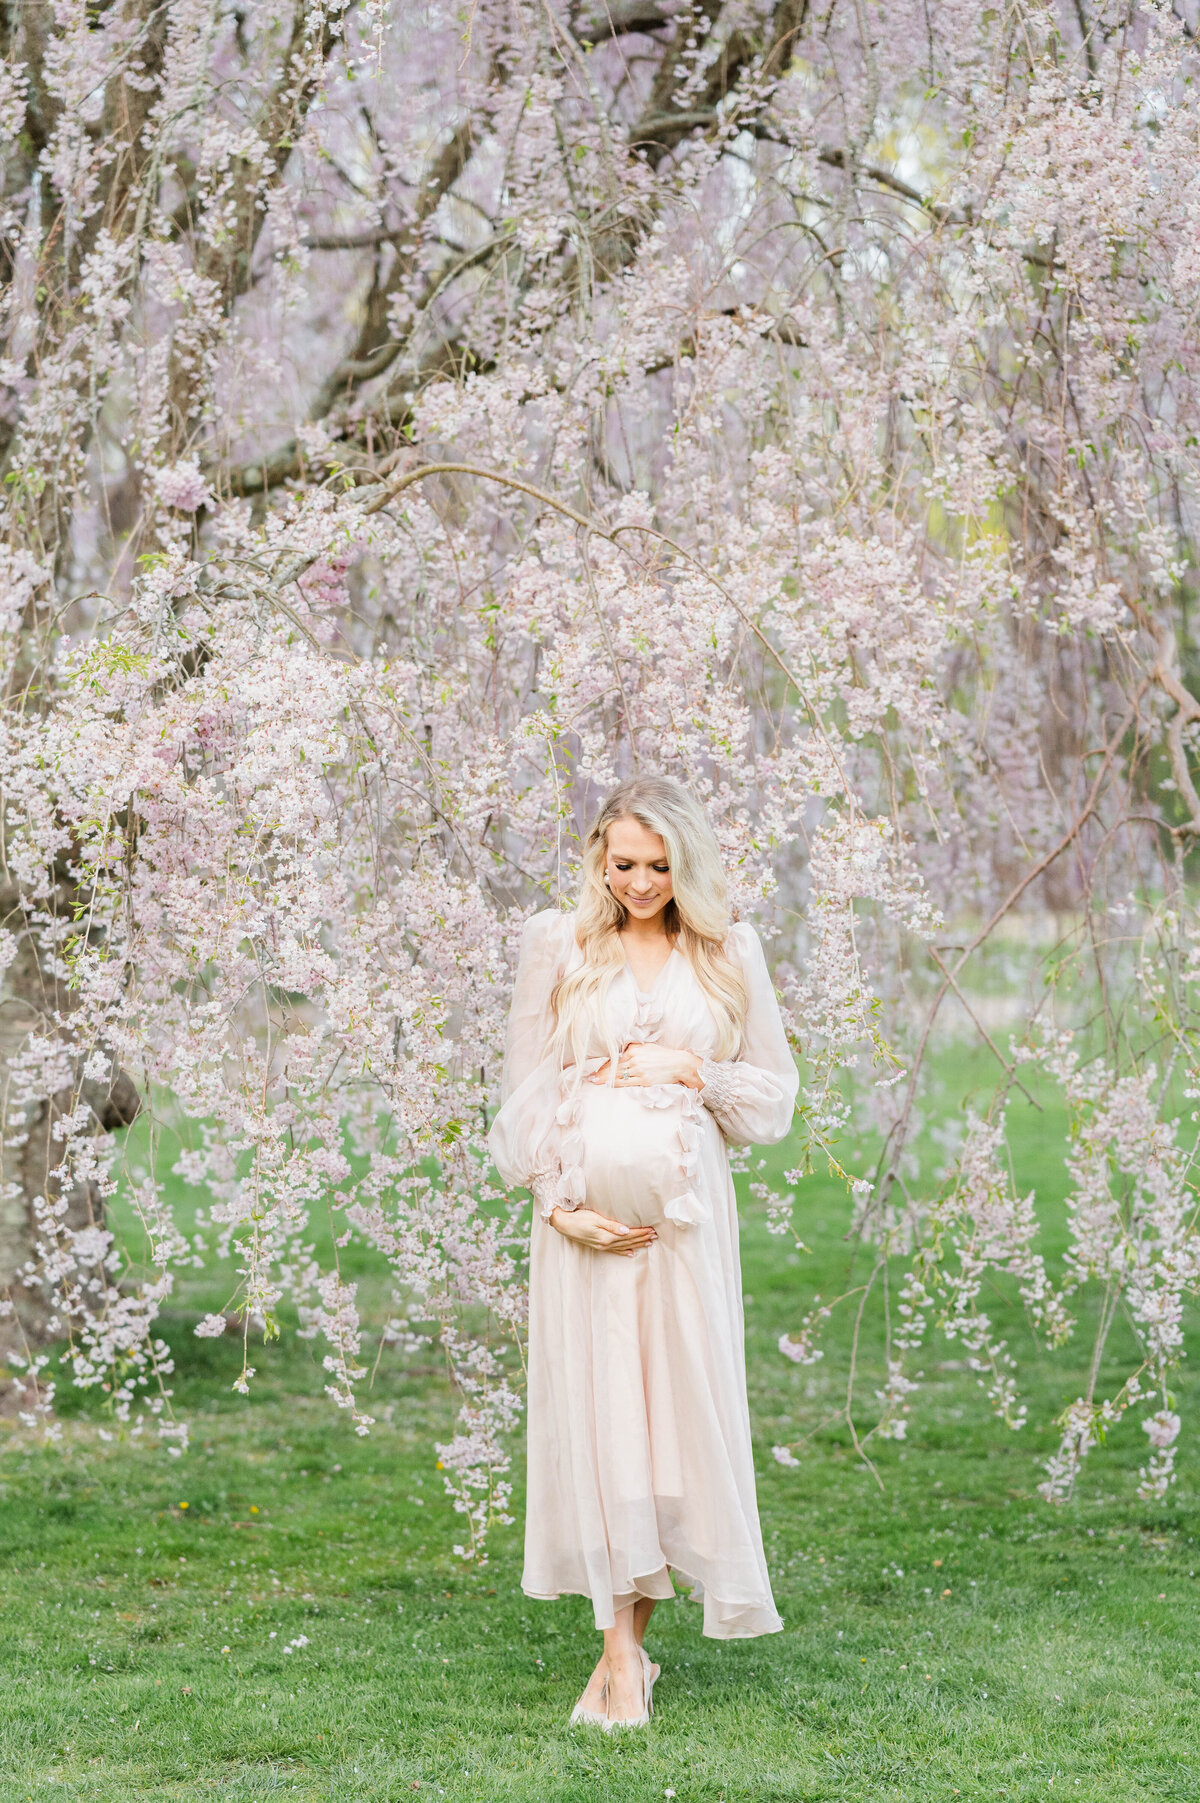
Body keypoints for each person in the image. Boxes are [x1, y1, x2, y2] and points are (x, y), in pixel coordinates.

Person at [488, 775, 799, 1729]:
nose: (640, 882)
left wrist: (697, 1068)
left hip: (685, 1233)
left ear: (687, 863)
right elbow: (525, 1091)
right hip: (588, 1239)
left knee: (677, 1436)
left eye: (659, 865)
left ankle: (632, 1652)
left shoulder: (727, 950)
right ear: (599, 857)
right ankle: (621, 1657)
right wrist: (556, 1206)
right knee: (605, 1423)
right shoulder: (561, 943)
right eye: (623, 863)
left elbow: (774, 1101)